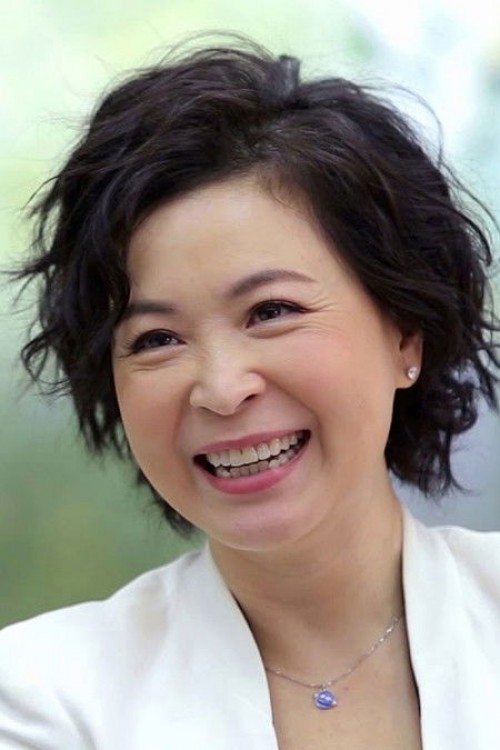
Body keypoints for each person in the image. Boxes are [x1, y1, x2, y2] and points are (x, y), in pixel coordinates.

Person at [1, 33, 499, 750]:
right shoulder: (43, 697)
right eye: (156, 340)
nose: (221, 389)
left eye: (271, 311)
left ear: (406, 336)